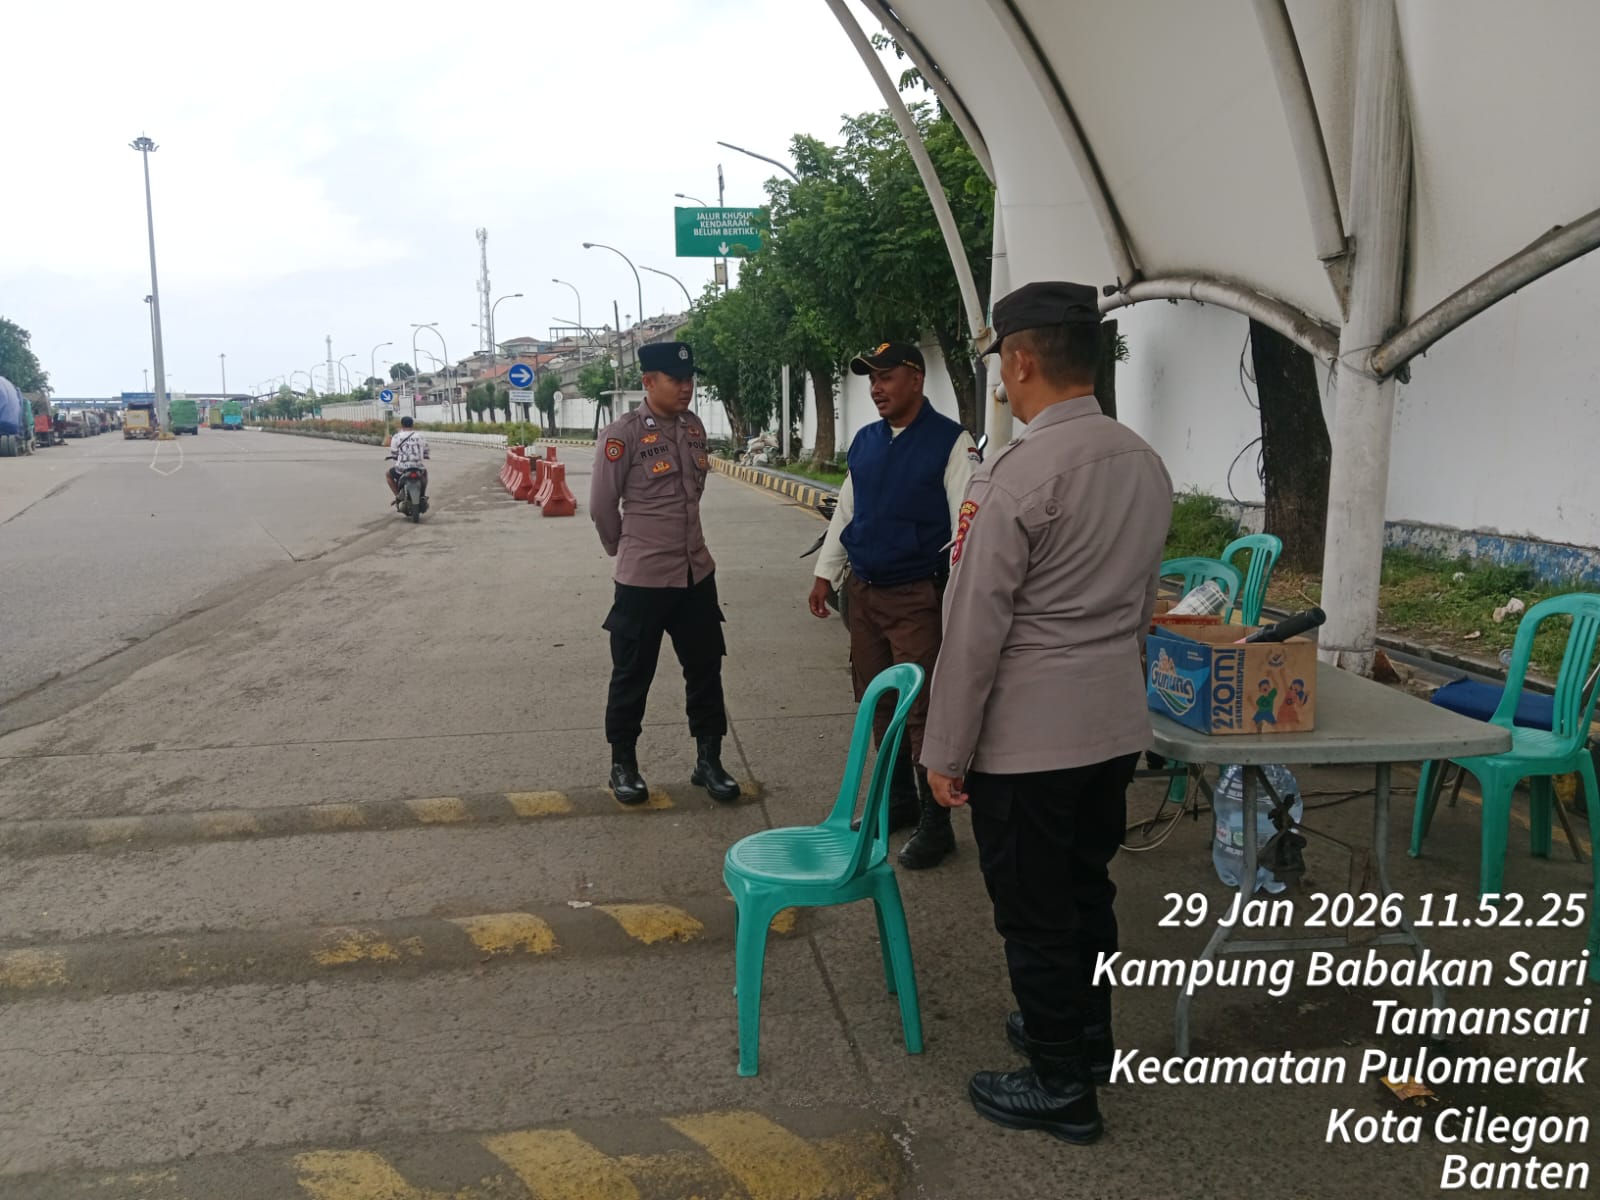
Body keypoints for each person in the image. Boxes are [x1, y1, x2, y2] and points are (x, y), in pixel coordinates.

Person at [920, 281, 1173, 1144]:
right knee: (1086, 889)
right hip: (1112, 726)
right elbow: (1142, 604)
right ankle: (1084, 1036)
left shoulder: (1015, 474)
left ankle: (1061, 1084)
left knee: (1034, 912)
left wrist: (945, 749)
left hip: (1029, 742)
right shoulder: (1143, 461)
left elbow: (973, 628)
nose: (1002, 377)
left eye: (1002, 362)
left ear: (1022, 361)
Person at [808, 341, 978, 868]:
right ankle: (899, 800)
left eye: (886, 377)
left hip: (916, 597)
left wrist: (959, 602)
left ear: (916, 379)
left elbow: (966, 529)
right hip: (864, 593)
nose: (876, 389)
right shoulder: (866, 441)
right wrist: (825, 573)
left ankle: (936, 822)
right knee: (878, 700)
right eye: (871, 380)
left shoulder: (951, 443)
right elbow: (848, 512)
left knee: (922, 707)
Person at [590, 341, 740, 806]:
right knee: (632, 673)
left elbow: (694, 492)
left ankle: (709, 760)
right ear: (648, 382)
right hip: (643, 580)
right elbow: (602, 506)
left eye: (689, 379)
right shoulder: (623, 435)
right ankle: (623, 765)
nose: (686, 387)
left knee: (706, 668)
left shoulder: (694, 428)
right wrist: (625, 549)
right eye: (676, 380)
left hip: (696, 573)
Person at [386, 416, 430, 507]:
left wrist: (396, 457)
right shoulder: (420, 436)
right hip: (417, 467)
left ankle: (398, 496)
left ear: (401, 425)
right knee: (425, 472)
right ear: (412, 425)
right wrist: (425, 455)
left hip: (402, 468)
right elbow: (426, 450)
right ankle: (422, 495)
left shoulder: (396, 437)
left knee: (388, 475)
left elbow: (394, 453)